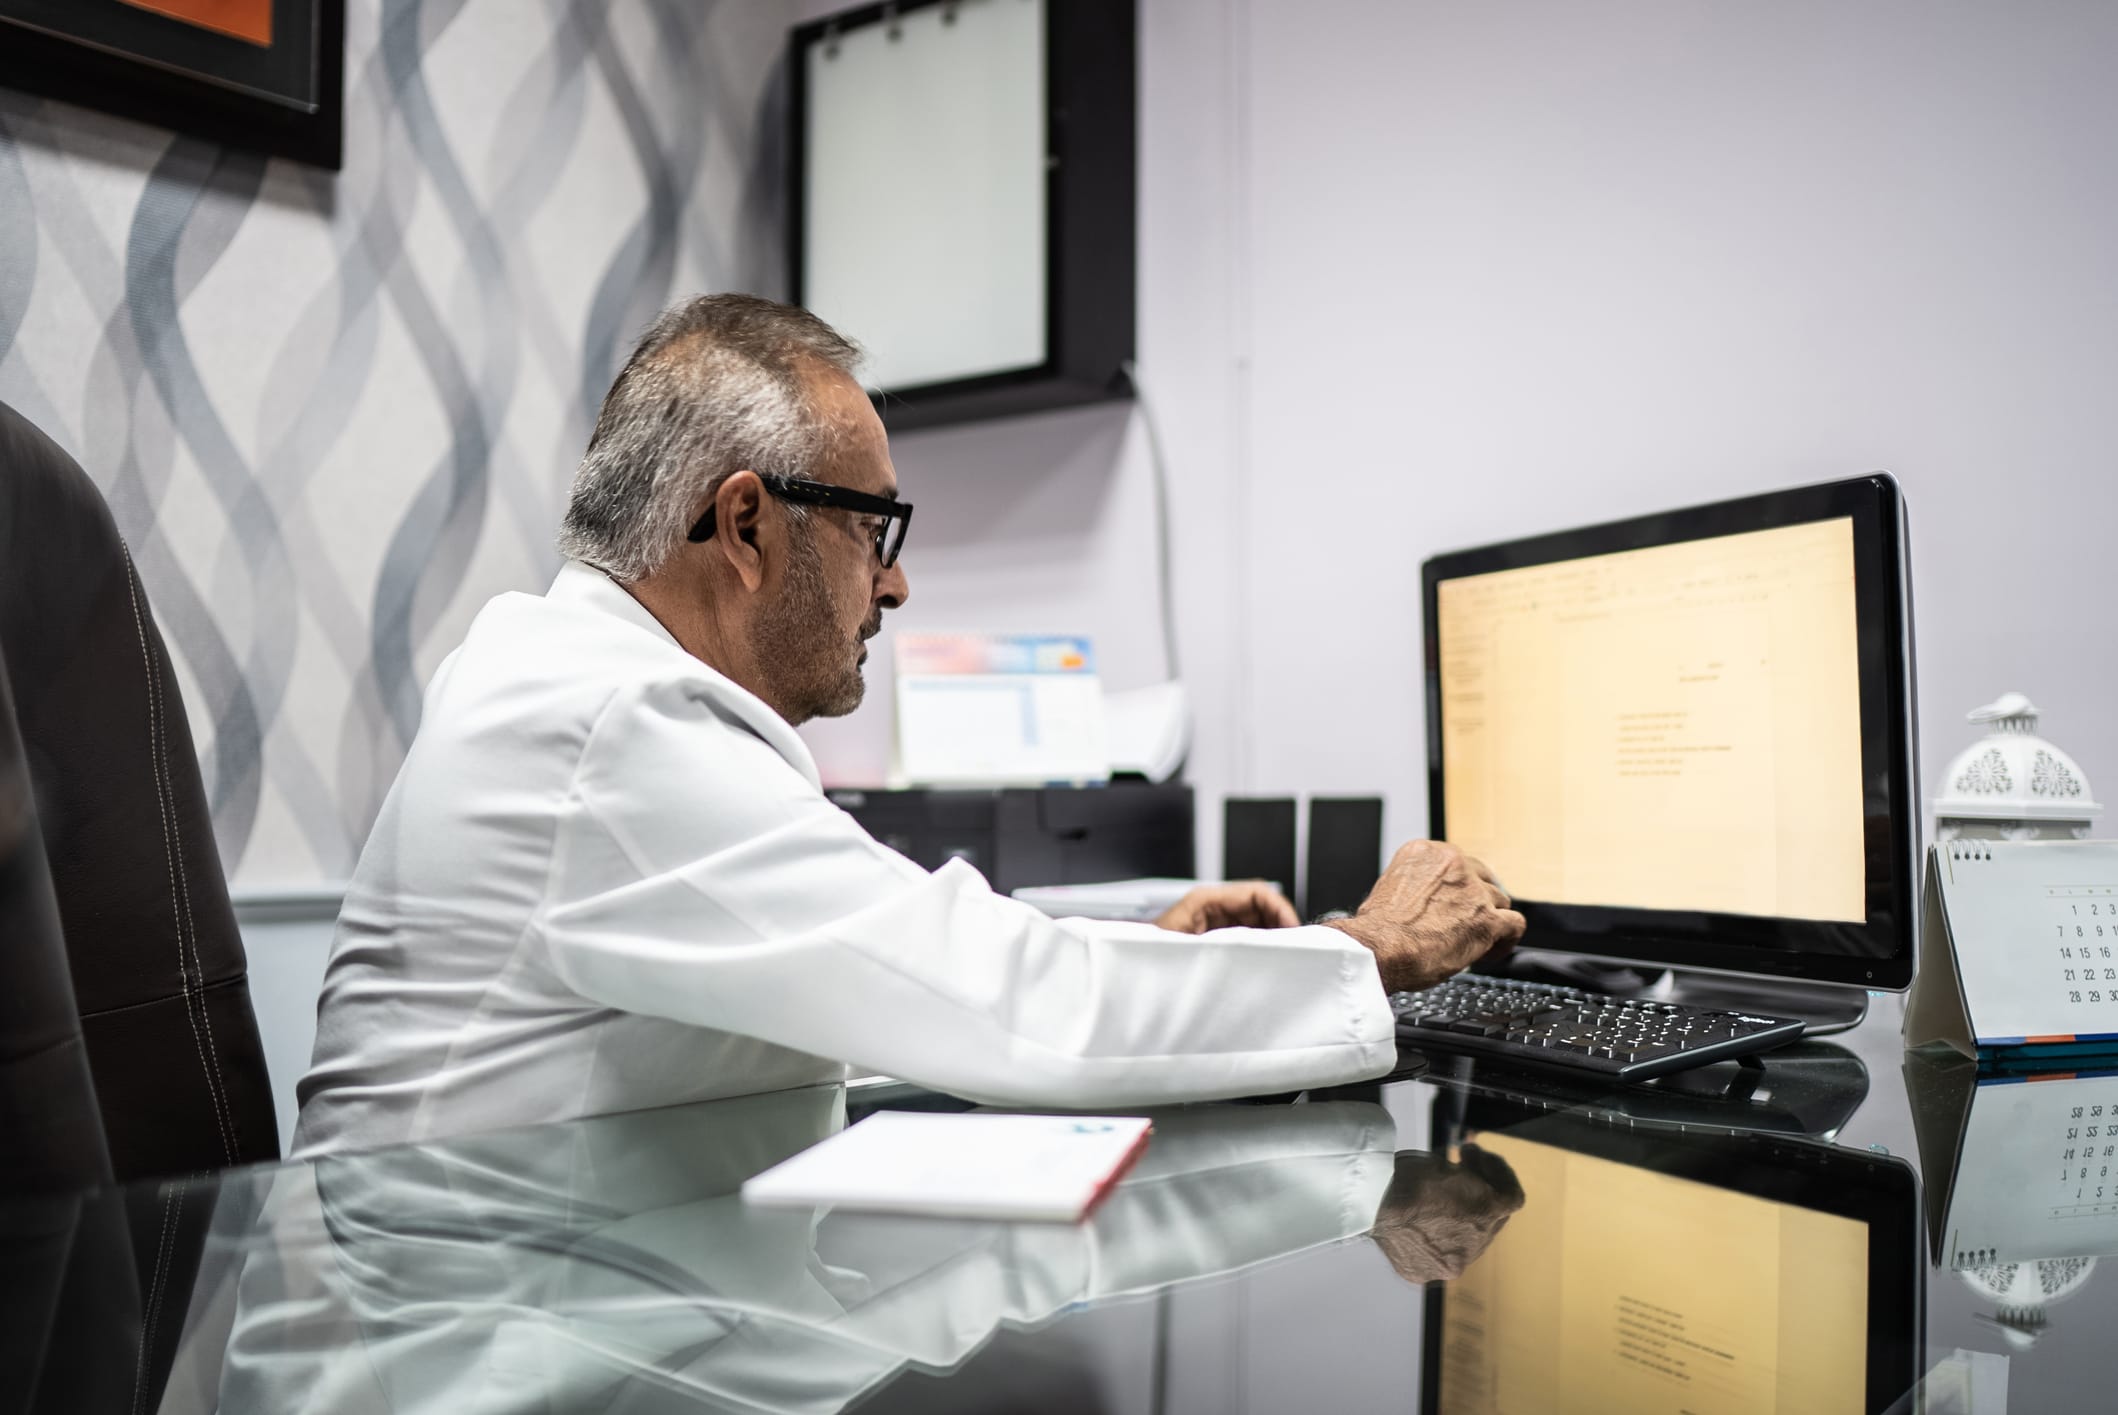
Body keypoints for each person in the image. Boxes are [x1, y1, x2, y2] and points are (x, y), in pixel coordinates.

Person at [293, 294, 1524, 1156]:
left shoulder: (574, 686)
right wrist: (1367, 948)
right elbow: (1013, 1004)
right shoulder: (611, 727)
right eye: (875, 528)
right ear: (747, 523)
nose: (894, 583)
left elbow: (880, 976)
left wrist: (1149, 944)